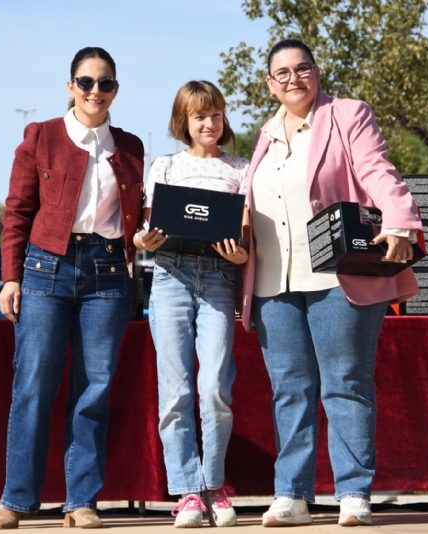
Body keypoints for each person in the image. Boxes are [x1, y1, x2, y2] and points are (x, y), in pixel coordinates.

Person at [239, 39, 422, 527]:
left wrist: (400, 220)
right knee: (289, 389)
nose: (294, 79)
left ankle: (353, 493)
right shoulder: (263, 136)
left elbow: (376, 170)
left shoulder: (345, 114)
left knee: (346, 383)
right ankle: (291, 494)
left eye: (304, 69)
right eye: (283, 73)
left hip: (338, 277)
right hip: (273, 282)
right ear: (269, 84)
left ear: (317, 73)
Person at [0, 47, 144, 530]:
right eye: (85, 82)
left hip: (109, 273)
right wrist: (10, 277)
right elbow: (17, 212)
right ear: (70, 85)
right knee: (33, 385)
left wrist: (144, 240)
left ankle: (81, 501)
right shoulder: (41, 137)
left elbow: (139, 216)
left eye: (105, 83)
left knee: (93, 391)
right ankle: (16, 500)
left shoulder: (131, 146)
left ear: (116, 89)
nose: (94, 91)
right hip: (45, 269)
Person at [134, 81, 249, 528]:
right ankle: (186, 493)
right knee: (175, 389)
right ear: (184, 121)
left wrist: (239, 255)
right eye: (201, 116)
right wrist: (144, 240)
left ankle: (215, 484)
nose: (210, 123)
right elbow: (147, 225)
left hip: (219, 276)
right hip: (169, 275)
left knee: (215, 385)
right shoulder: (163, 165)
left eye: (216, 115)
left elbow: (243, 231)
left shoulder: (240, 168)